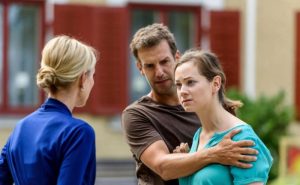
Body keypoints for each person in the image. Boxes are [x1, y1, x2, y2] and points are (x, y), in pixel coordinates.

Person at [122, 23, 258, 185]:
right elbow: (164, 167)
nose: (159, 72)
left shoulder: (213, 107)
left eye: (164, 61)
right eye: (150, 66)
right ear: (140, 68)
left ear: (177, 58)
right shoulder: (137, 114)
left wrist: (191, 155)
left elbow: (235, 164)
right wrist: (213, 153)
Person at [0, 35, 98, 185]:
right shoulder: (79, 132)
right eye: (93, 75)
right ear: (83, 78)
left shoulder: (21, 127)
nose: (93, 82)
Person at [174, 49, 273, 185]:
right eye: (178, 85)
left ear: (216, 84)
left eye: (190, 82)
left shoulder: (243, 138)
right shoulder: (199, 136)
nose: (182, 91)